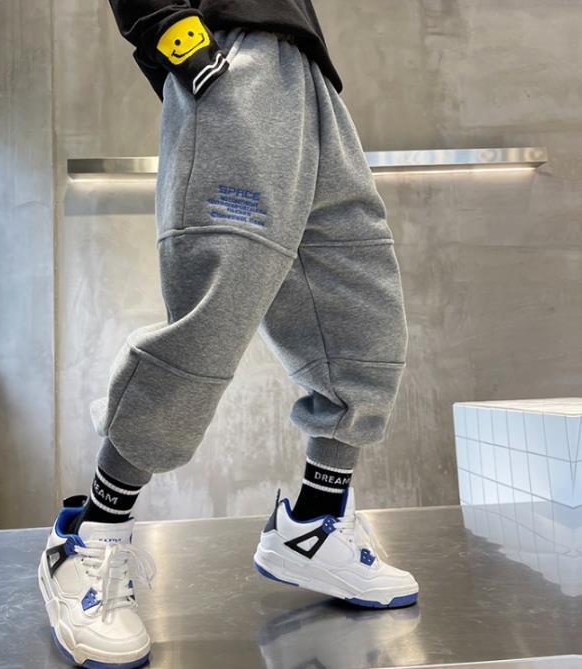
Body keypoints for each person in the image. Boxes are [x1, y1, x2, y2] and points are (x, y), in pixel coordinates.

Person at [37, 1, 419, 667]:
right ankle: (89, 536)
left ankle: (313, 524)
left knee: (364, 318)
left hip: (312, 79)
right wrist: (178, 40)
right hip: (232, 62)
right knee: (213, 316)